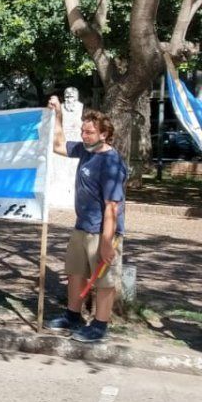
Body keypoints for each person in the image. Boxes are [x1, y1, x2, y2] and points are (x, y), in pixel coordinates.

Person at [46, 96, 129, 344]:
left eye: (90, 132)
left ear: (104, 134)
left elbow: (112, 207)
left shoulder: (111, 163)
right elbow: (58, 145)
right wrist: (58, 115)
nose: (84, 135)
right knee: (75, 273)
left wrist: (106, 242)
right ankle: (73, 315)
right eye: (83, 131)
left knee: (104, 281)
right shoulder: (85, 150)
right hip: (82, 227)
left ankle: (100, 324)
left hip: (102, 232)